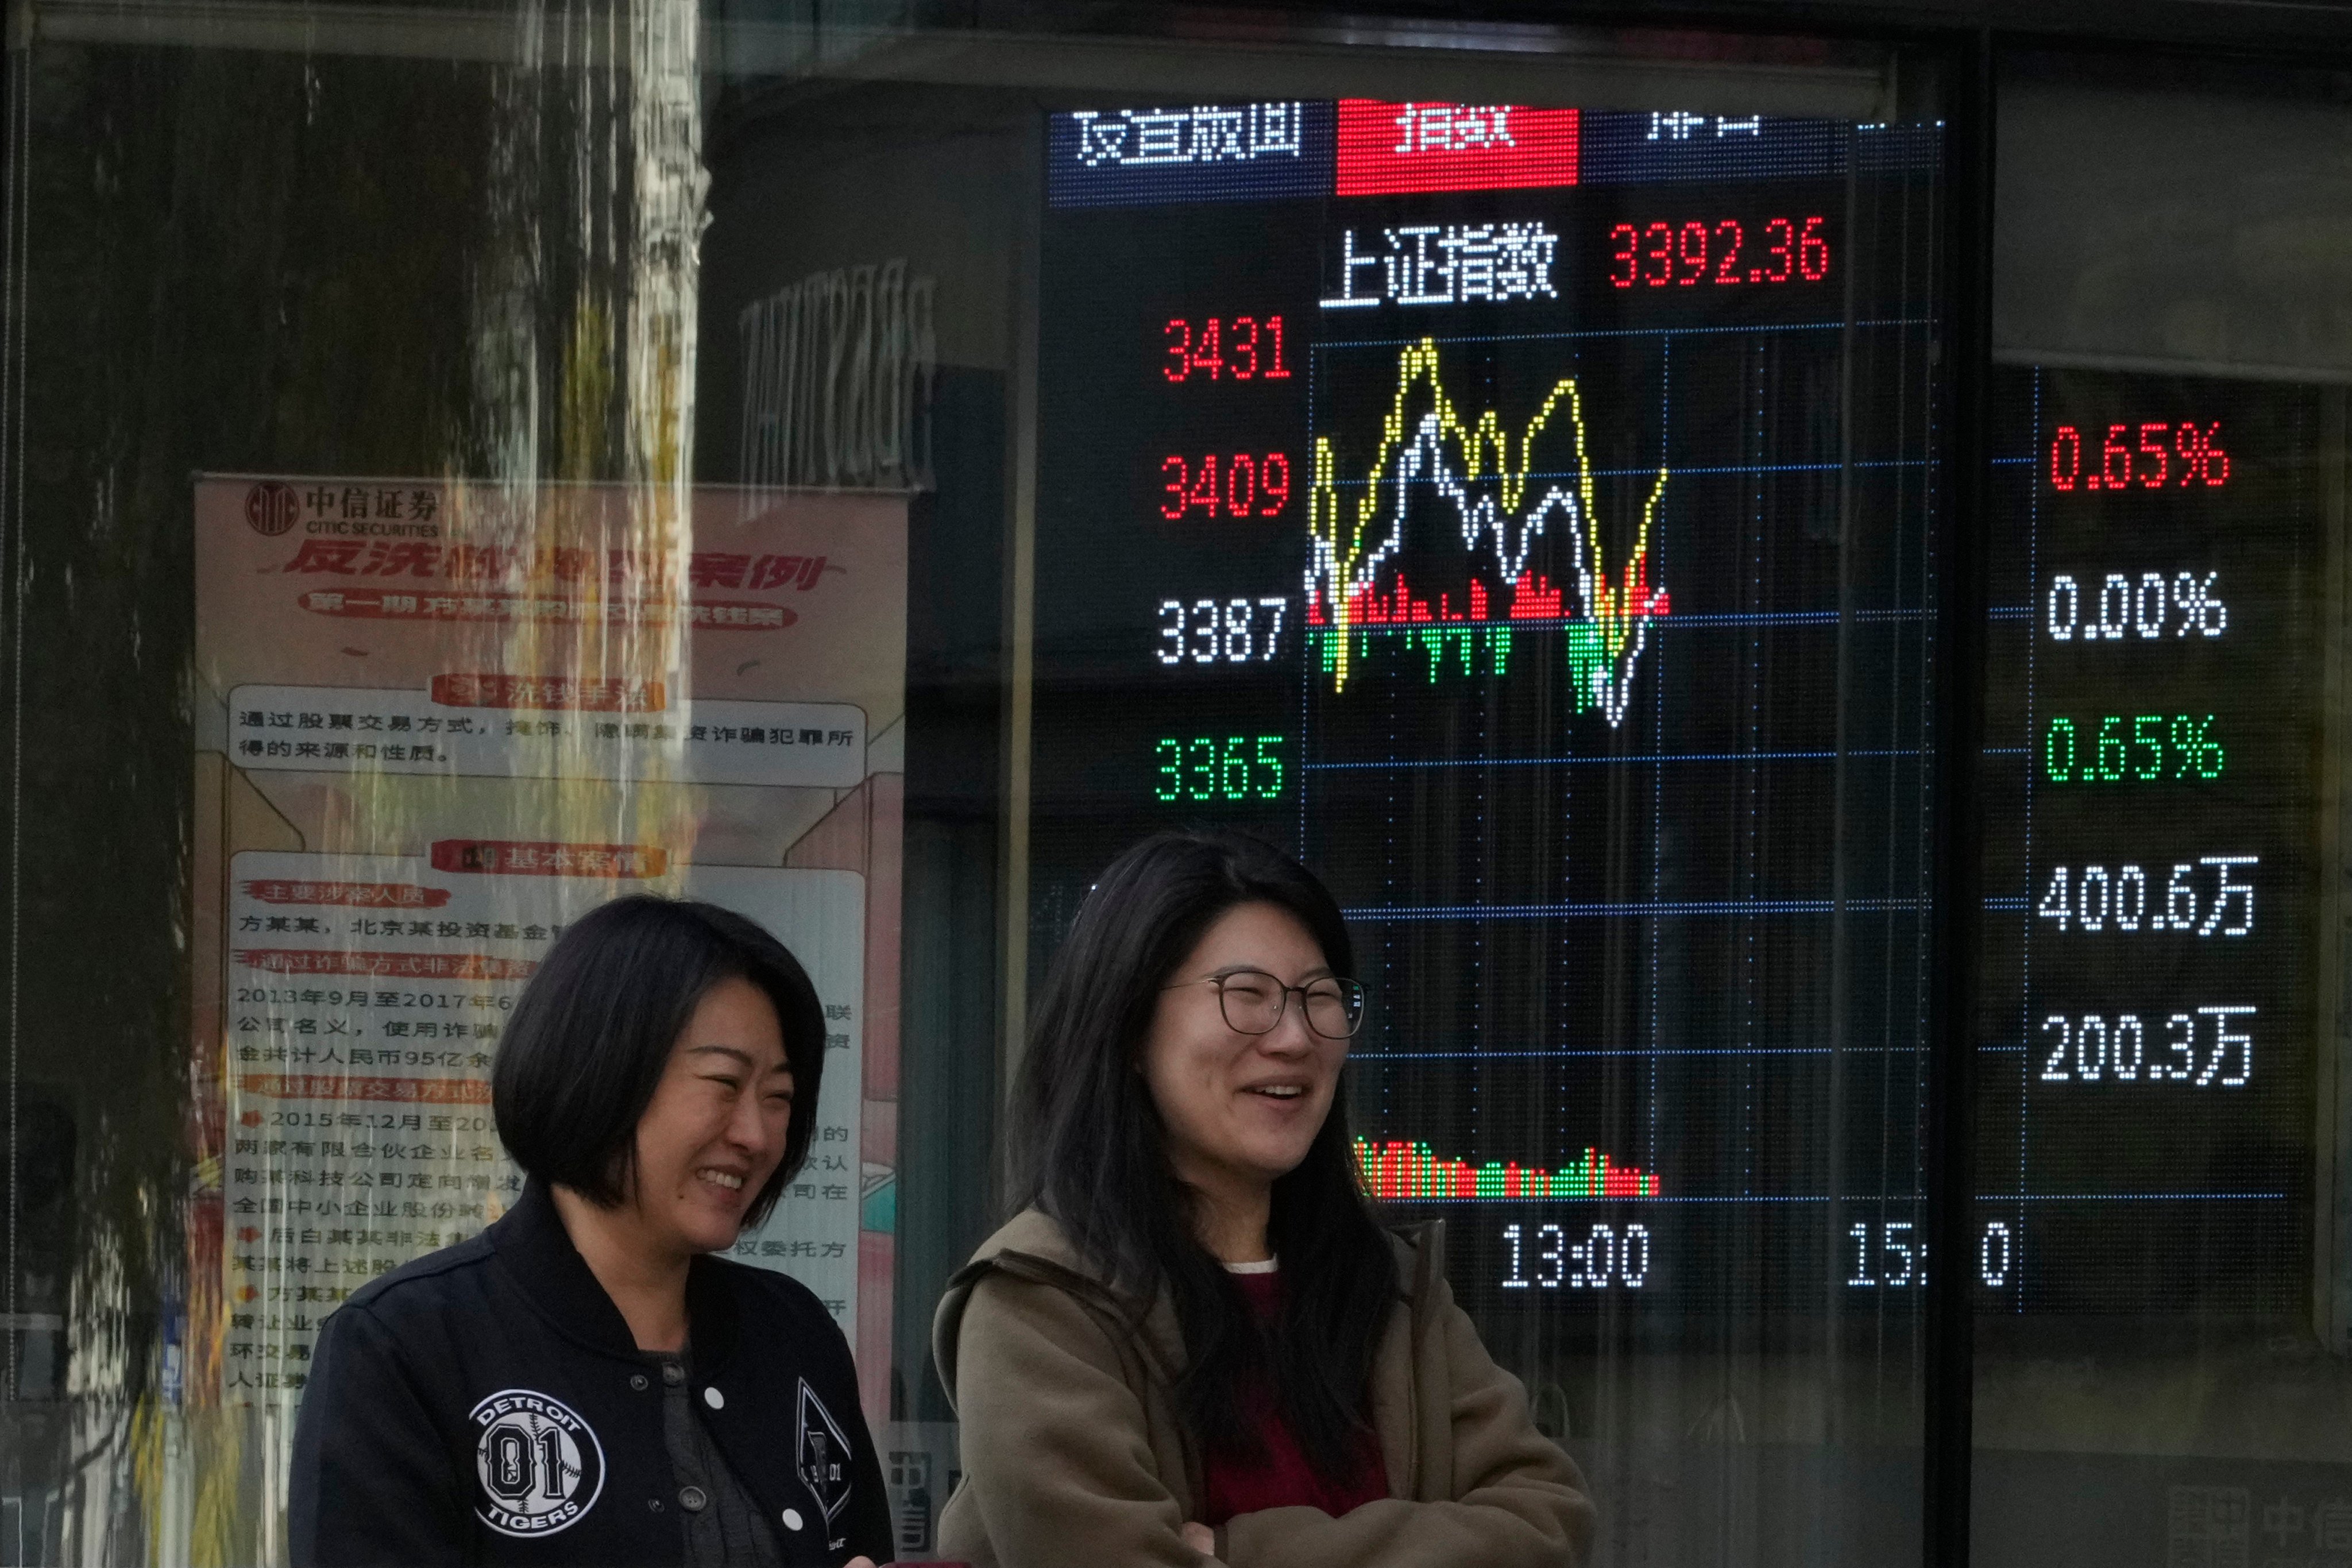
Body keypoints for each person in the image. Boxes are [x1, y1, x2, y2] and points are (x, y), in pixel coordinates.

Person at [933, 832, 1595, 1567]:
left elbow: (1547, 1523)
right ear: (1128, 1026)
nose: (1293, 1038)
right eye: (1246, 996)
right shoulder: (1040, 1301)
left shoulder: (1392, 1290)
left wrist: (1240, 1551)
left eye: (1320, 999)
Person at [290, 895, 892, 1568]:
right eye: (723, 1083)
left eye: (778, 1098)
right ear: (600, 1072)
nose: (755, 1134)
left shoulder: (794, 1334)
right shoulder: (404, 1345)